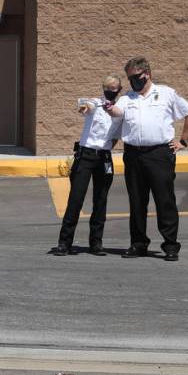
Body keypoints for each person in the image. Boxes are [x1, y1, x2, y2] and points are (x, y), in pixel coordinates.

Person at [104, 56, 188, 261]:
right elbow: (117, 114)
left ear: (147, 74)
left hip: (159, 154)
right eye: (130, 79)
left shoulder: (166, 93)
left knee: (165, 200)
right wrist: (109, 108)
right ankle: (138, 244)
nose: (133, 82)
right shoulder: (127, 98)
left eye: (135, 77)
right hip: (134, 154)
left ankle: (170, 245)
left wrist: (183, 141)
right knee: (137, 201)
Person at [52, 75, 123, 256]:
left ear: (119, 90)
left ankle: (96, 243)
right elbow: (85, 107)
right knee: (76, 199)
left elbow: (115, 137)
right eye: (108, 87)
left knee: (101, 200)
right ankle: (64, 243)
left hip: (104, 157)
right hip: (86, 155)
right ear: (103, 87)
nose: (111, 90)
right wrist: (83, 108)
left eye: (115, 87)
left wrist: (105, 149)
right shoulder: (95, 103)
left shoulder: (119, 110)